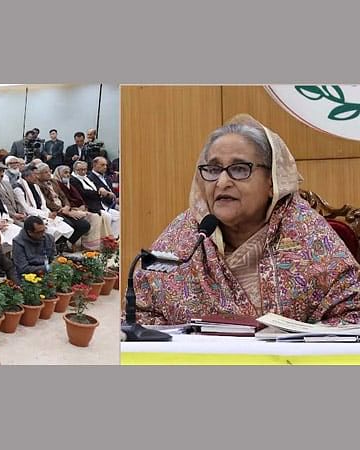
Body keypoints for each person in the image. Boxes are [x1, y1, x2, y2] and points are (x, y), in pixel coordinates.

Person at [135, 115, 360, 325]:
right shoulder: (187, 234)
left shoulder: (307, 233)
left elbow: (352, 316)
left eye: (240, 169)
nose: (222, 182)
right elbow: (140, 312)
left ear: (272, 181)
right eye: (213, 169)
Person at [71, 161, 119, 238]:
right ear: (74, 170)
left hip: (100, 203)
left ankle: (113, 239)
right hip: (89, 205)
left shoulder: (87, 178)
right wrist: (99, 193)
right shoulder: (73, 179)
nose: (83, 172)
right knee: (107, 216)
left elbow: (97, 187)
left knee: (118, 216)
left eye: (84, 169)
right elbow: (84, 193)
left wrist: (100, 189)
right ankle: (105, 239)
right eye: (80, 170)